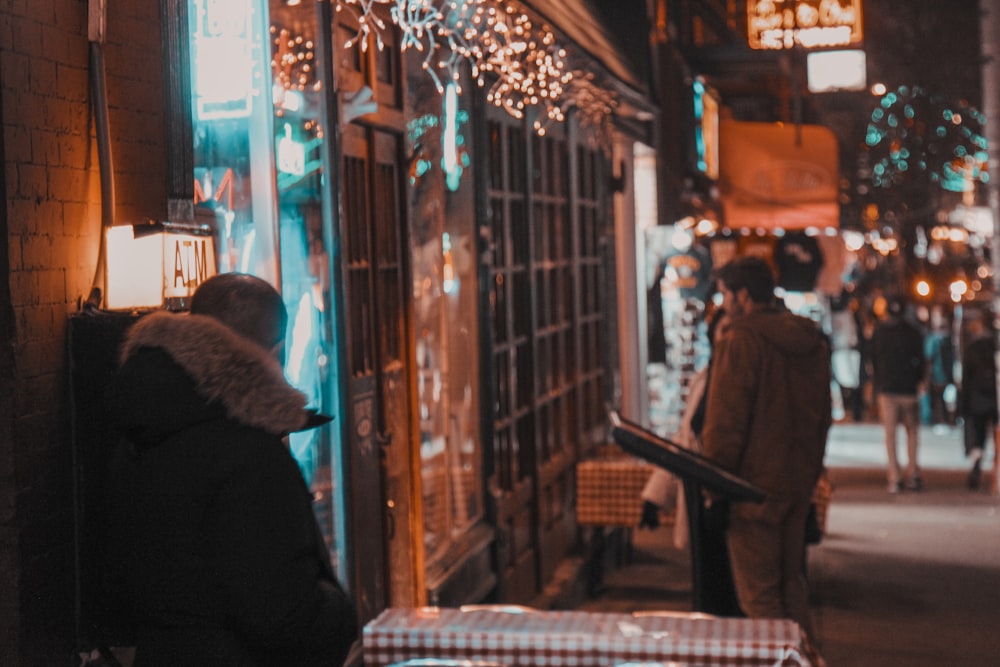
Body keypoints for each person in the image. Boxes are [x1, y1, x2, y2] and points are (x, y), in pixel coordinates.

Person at [105, 273, 358, 666]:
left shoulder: (141, 432)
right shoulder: (251, 457)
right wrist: (339, 612)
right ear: (275, 352)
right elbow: (284, 615)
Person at [699, 256, 831, 639]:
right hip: (795, 484)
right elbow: (822, 415)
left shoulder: (741, 340)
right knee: (791, 587)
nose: (723, 303)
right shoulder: (809, 341)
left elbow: (725, 423)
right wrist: (810, 473)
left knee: (759, 598)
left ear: (743, 295)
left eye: (725, 295)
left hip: (751, 490)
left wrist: (716, 488)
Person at [639, 308, 742, 616]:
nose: (725, 340)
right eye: (720, 332)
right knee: (707, 592)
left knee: (734, 593)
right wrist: (655, 495)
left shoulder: (739, 382)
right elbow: (684, 439)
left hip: (730, 502)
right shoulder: (705, 377)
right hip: (701, 496)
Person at [871, 297, 926, 493]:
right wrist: (919, 381)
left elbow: (873, 360)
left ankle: (894, 476)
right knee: (912, 433)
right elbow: (920, 359)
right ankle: (913, 474)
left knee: (890, 435)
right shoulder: (913, 332)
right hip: (909, 389)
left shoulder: (880, 332)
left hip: (888, 389)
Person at [960, 314, 997, 491]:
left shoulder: (973, 347)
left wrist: (963, 404)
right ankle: (996, 471)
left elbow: (966, 378)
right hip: (996, 399)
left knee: (978, 435)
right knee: (998, 436)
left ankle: (977, 460)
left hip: (977, 399)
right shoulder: (996, 347)